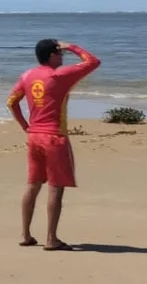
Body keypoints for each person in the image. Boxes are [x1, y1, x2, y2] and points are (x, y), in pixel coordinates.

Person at [6, 39, 101, 251]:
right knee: (55, 188)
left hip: (34, 137)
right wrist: (72, 46)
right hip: (54, 137)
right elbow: (93, 62)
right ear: (52, 55)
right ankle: (51, 239)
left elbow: (11, 101)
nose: (62, 57)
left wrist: (25, 126)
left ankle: (26, 235)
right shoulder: (60, 75)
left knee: (33, 185)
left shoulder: (27, 75)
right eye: (60, 53)